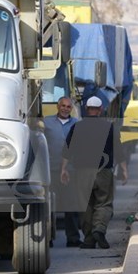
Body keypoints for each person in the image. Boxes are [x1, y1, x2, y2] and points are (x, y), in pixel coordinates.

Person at [60, 96, 127, 249]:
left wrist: (64, 169)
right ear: (100, 109)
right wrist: (124, 169)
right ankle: (99, 228)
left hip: (82, 172)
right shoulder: (109, 127)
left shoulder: (77, 127)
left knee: (86, 205)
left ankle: (89, 239)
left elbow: (67, 150)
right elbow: (118, 149)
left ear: (86, 109)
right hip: (103, 172)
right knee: (104, 203)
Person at [43, 97, 81, 247]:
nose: (65, 109)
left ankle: (72, 238)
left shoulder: (76, 124)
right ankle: (48, 237)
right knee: (49, 206)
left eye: (68, 107)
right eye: (63, 106)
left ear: (71, 109)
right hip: (51, 169)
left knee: (70, 204)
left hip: (70, 171)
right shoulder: (47, 123)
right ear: (58, 107)